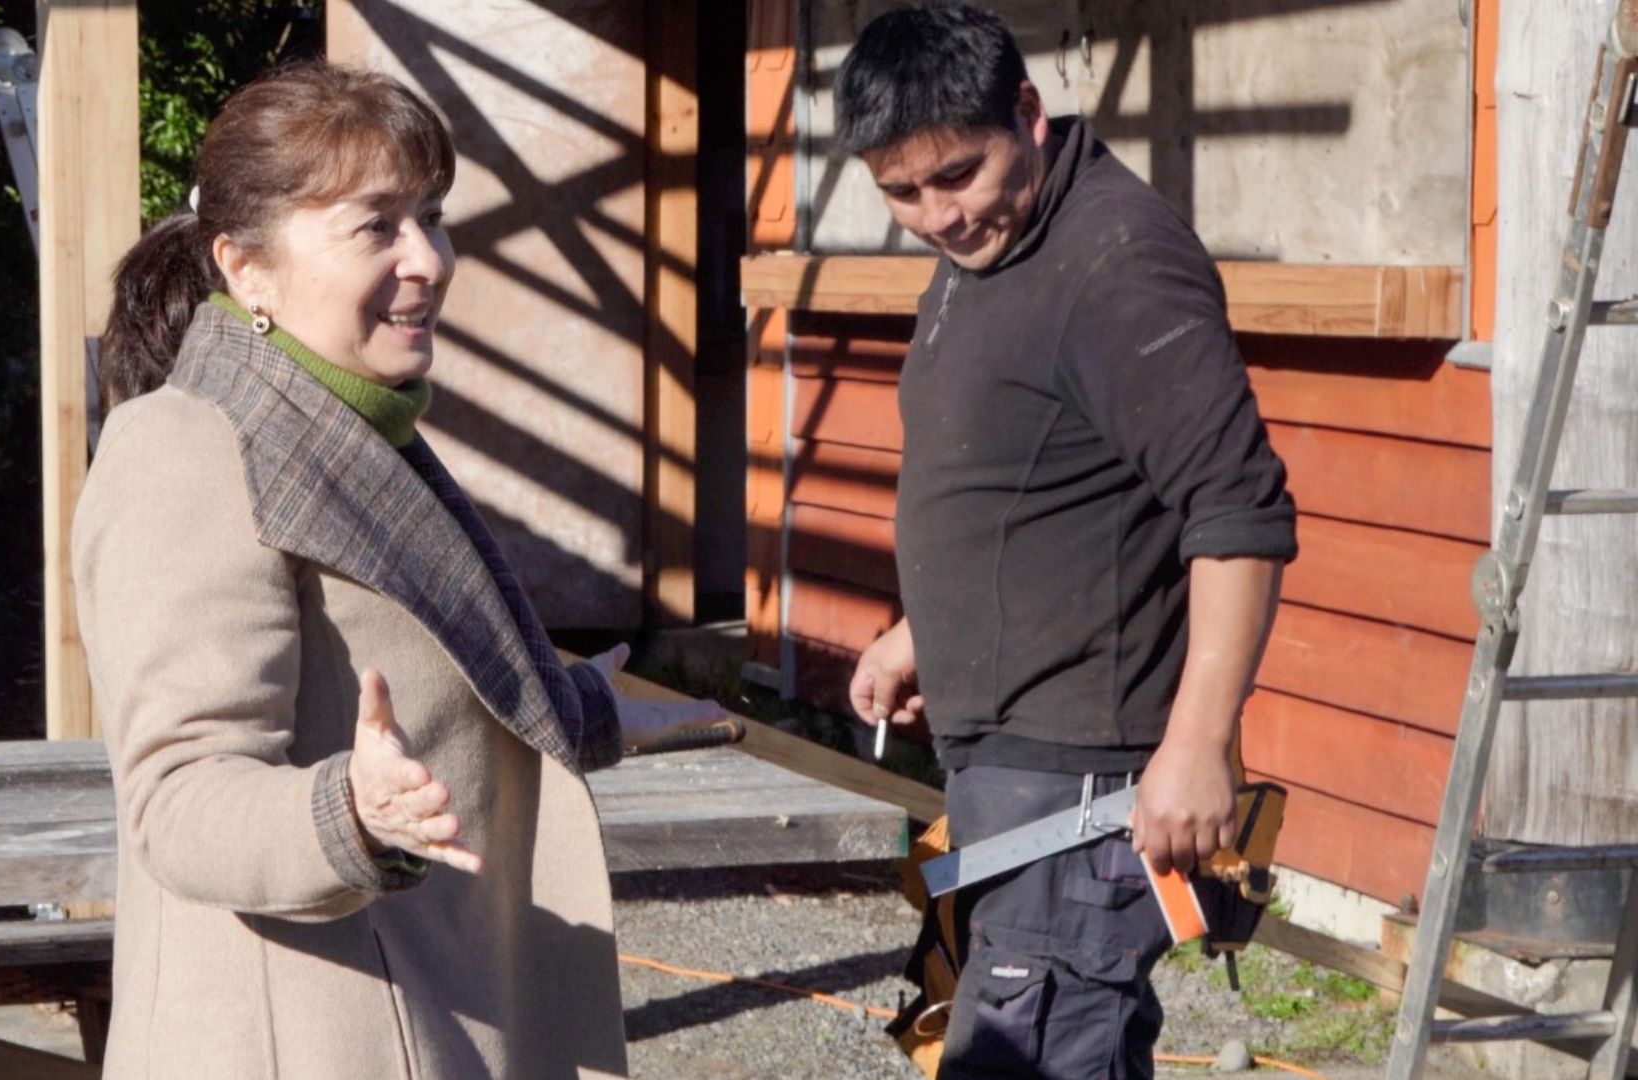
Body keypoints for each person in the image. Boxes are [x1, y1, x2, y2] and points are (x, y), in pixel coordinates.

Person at [74, 61, 718, 1079]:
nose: (430, 259)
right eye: (377, 226)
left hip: (423, 1018)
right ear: (247, 268)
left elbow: (402, 664)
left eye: (432, 217)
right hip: (326, 1042)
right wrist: (352, 816)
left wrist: (568, 710)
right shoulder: (188, 448)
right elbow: (180, 798)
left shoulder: (341, 423)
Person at [833, 6, 1298, 1078]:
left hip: (1083, 789)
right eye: (900, 192)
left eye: (958, 175)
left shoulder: (1116, 263)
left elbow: (1240, 511)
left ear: (1030, 115)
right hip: (1012, 770)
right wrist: (921, 637)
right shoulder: (996, 249)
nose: (938, 215)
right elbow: (1028, 470)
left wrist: (1196, 742)